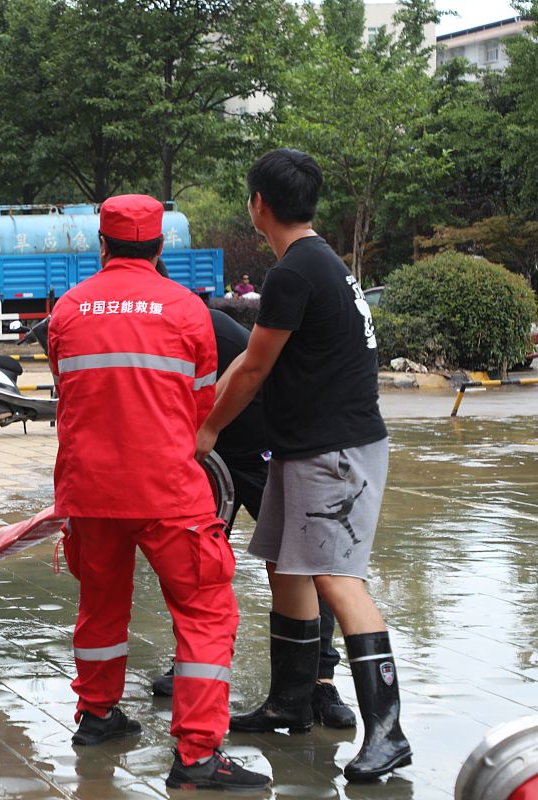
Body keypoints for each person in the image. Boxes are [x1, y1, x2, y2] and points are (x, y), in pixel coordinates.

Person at [195, 149, 410, 782]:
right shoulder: (321, 264)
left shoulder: (295, 272)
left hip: (335, 452)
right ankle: (291, 701)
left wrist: (206, 429)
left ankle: (389, 731)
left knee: (339, 579)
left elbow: (253, 366)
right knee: (288, 569)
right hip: (306, 446)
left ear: (258, 204)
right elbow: (260, 362)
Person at [47, 194, 269, 792]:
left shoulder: (68, 309)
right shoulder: (186, 310)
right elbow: (199, 406)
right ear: (160, 246)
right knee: (204, 609)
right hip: (168, 488)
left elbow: (69, 394)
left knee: (100, 602)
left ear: (103, 244)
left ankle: (97, 718)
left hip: (88, 488)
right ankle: (197, 756)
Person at [149, 305, 356, 730]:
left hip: (266, 450)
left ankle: (320, 681)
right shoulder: (141, 334)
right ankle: (190, 662)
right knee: (192, 561)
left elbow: (250, 370)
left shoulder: (210, 329)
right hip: (208, 457)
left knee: (301, 563)